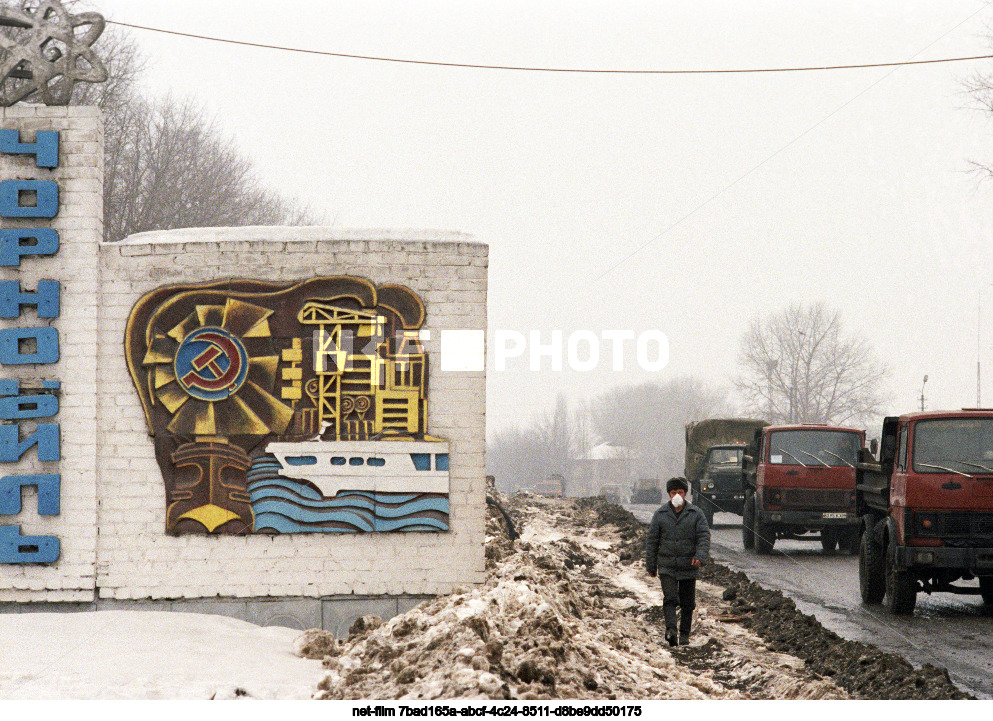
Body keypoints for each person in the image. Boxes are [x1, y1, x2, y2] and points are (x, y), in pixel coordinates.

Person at [645, 476, 711, 647]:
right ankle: (671, 631)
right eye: (673, 492)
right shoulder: (660, 514)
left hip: (689, 565)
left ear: (685, 493)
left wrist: (700, 556)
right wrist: (651, 565)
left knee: (688, 602)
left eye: (680, 492)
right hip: (667, 566)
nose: (677, 495)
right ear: (668, 494)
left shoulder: (696, 514)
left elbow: (703, 537)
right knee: (670, 598)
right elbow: (652, 541)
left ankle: (684, 635)